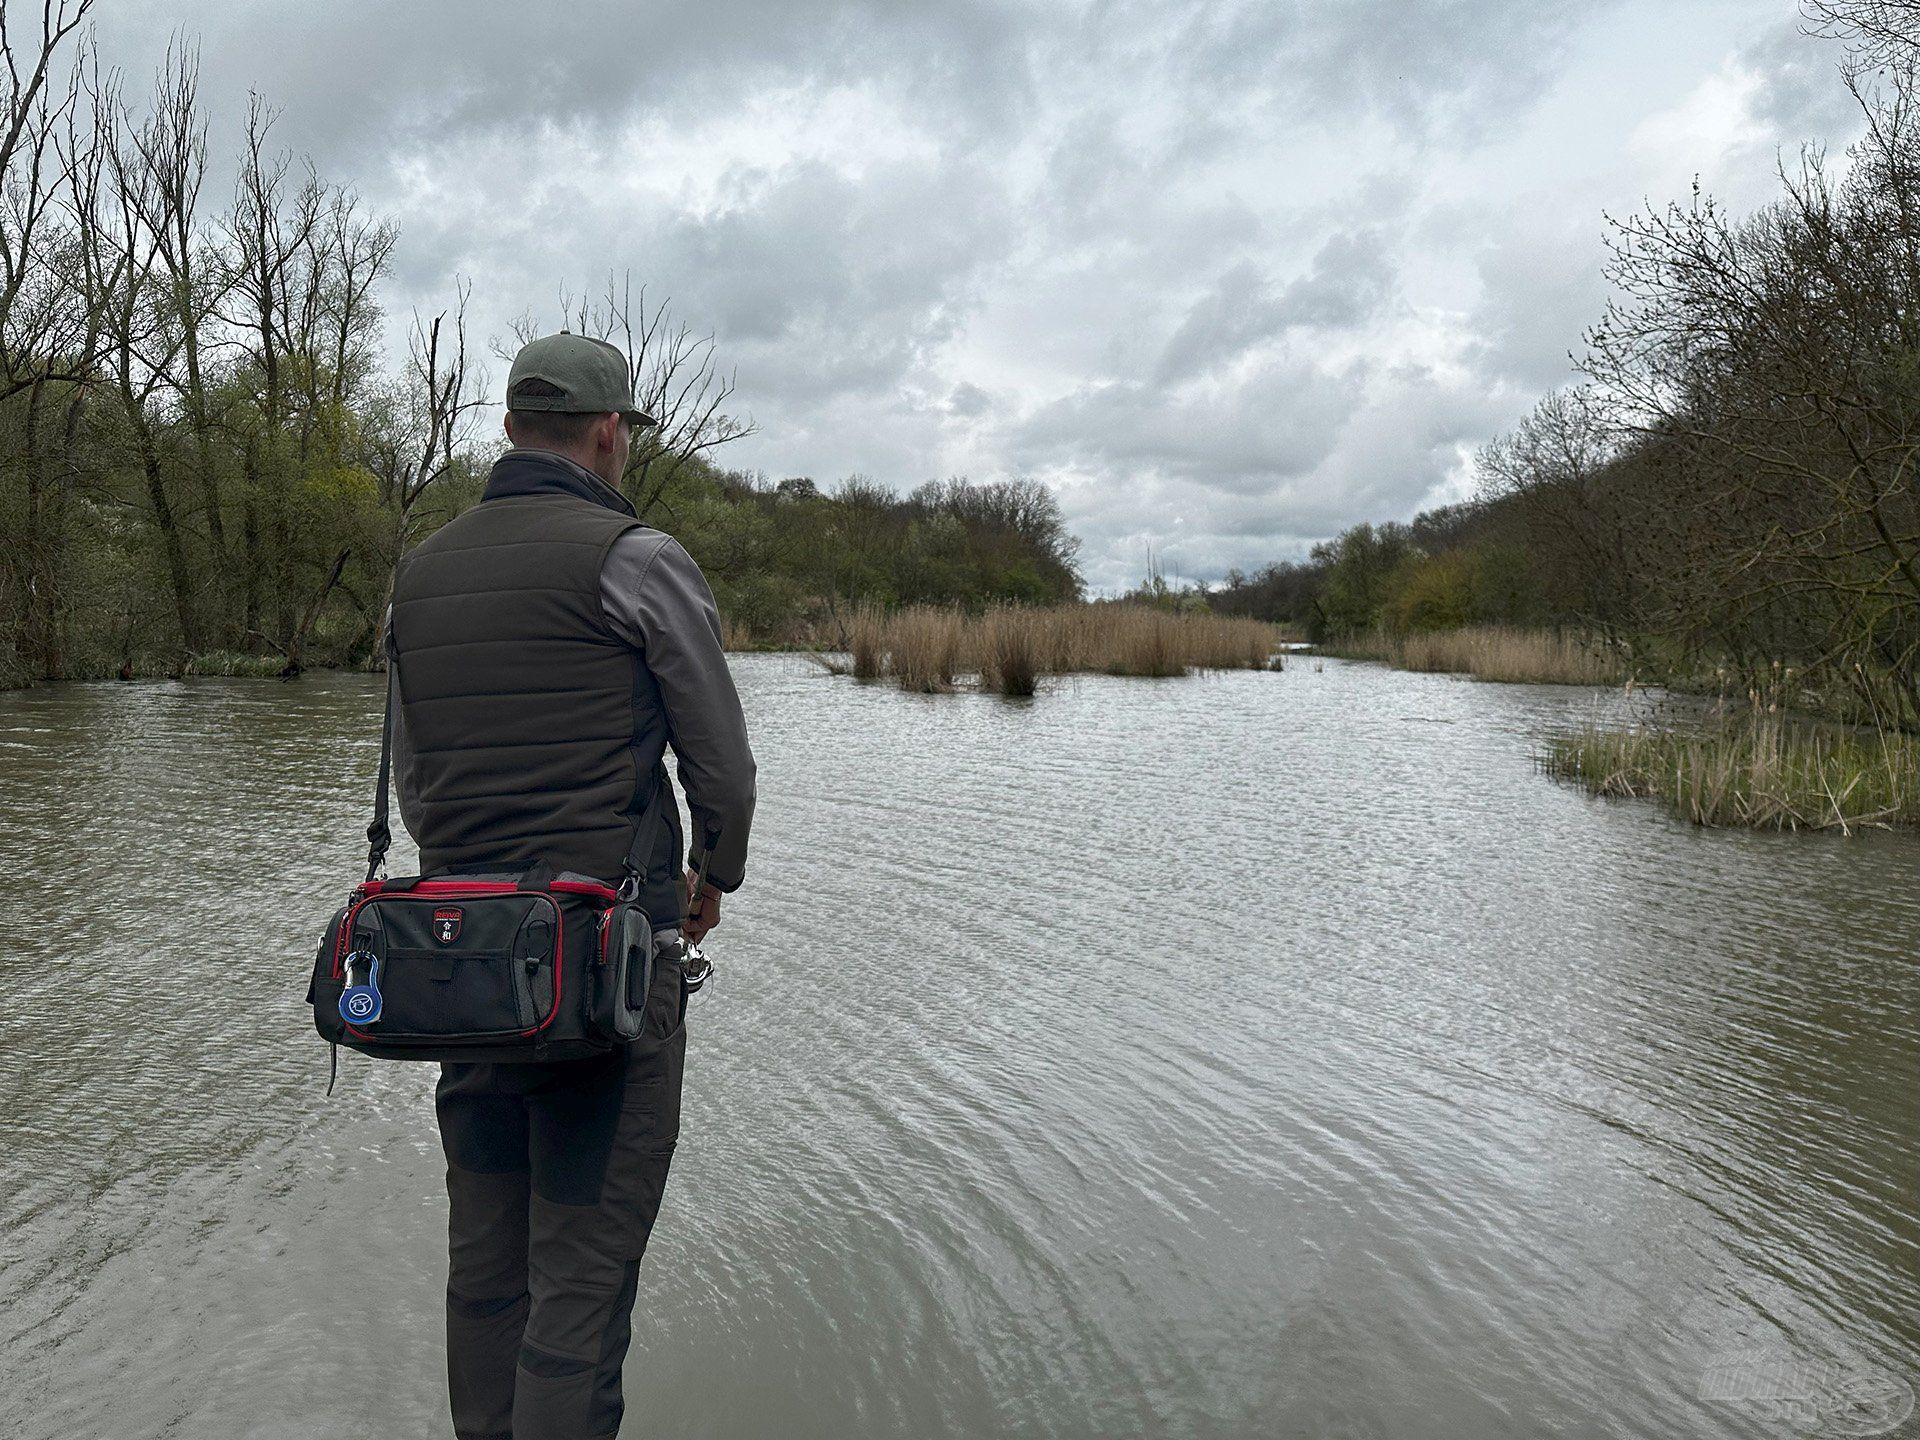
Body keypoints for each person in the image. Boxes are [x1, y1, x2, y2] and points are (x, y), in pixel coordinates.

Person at [382, 330, 756, 1440]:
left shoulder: (420, 573)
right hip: (607, 981)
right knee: (580, 1287)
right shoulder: (636, 558)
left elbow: (417, 782)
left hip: (467, 971)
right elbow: (720, 761)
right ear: (610, 432)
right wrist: (713, 872)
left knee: (485, 1272)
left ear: (507, 429)